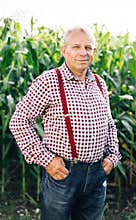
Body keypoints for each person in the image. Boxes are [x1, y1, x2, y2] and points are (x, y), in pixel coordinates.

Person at [9, 26, 121, 220]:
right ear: (64, 50)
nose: (83, 52)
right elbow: (19, 121)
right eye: (76, 46)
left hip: (96, 173)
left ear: (94, 51)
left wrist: (112, 156)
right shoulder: (49, 81)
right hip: (62, 174)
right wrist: (47, 160)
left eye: (88, 47)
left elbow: (109, 124)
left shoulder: (99, 83)